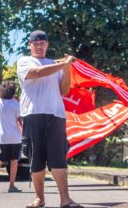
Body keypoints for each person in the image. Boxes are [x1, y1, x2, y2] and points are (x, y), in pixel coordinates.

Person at [17, 30, 83, 208]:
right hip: (32, 115)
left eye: (42, 43)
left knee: (58, 159)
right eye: (35, 43)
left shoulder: (55, 64)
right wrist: (63, 64)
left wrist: (67, 68)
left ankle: (65, 199)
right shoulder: (24, 61)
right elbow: (37, 72)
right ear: (30, 45)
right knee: (36, 159)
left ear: (47, 44)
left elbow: (64, 90)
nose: (39, 46)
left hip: (56, 115)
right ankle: (40, 198)